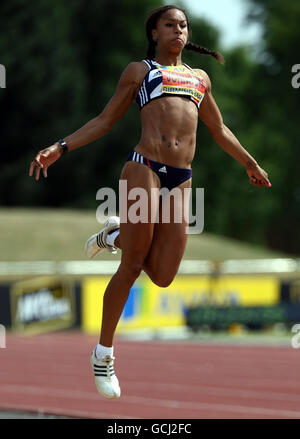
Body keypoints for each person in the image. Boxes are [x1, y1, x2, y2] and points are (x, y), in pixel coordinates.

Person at [29, 5, 271, 399]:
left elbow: (219, 128)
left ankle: (115, 235)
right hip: (145, 168)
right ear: (154, 33)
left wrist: (250, 163)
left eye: (183, 25)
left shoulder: (199, 78)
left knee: (163, 275)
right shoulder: (140, 72)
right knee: (134, 264)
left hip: (181, 178)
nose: (178, 30)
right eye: (170, 25)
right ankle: (103, 353)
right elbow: (105, 120)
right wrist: (61, 146)